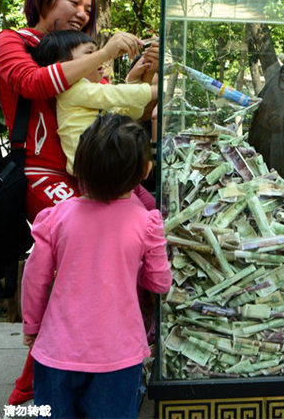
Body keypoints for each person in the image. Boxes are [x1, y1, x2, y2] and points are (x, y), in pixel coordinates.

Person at [0, 0, 158, 405]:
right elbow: (33, 83)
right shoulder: (14, 42)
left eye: (88, 7)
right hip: (43, 175)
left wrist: (138, 72)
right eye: (74, 2)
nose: (82, 12)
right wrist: (103, 52)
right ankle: (42, 374)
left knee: (88, 267)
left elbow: (108, 106)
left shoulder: (79, 55)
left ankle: (78, 364)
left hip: (85, 175)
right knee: (81, 262)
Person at [21, 113, 172, 418]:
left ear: (78, 167)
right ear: (145, 170)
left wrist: (32, 325)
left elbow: (34, 277)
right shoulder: (147, 222)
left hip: (56, 353)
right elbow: (160, 283)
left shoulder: (56, 217)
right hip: (119, 356)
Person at [29, 29, 157, 175]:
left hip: (103, 170)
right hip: (92, 174)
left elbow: (128, 112)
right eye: (90, 53)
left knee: (147, 199)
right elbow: (113, 95)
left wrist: (135, 82)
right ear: (63, 65)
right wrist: (153, 91)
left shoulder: (90, 90)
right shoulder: (72, 90)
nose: (98, 58)